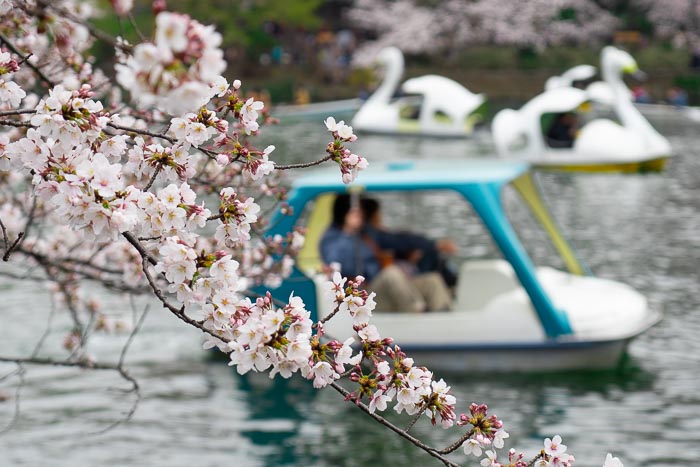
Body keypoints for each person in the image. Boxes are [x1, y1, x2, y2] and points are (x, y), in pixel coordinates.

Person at [320, 194, 452, 313]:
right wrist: (347, 232)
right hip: (361, 295)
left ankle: (443, 316)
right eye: (356, 212)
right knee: (391, 274)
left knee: (432, 280)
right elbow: (339, 264)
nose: (361, 215)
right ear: (345, 213)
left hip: (381, 288)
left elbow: (397, 240)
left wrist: (432, 244)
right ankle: (417, 313)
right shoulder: (331, 239)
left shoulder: (366, 233)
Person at [360, 197, 458, 288]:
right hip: (381, 284)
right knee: (433, 277)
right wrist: (434, 245)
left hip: (384, 276)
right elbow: (398, 241)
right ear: (374, 216)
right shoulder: (371, 233)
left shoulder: (368, 235)